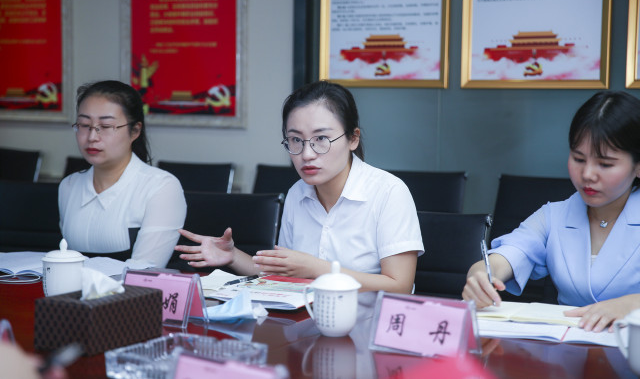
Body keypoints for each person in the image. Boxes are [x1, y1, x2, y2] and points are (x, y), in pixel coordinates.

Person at [176, 80, 424, 293]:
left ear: (353, 138)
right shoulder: (297, 193)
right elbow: (284, 273)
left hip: (369, 326)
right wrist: (232, 256)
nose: (306, 154)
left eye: (321, 139)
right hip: (304, 324)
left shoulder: (389, 192)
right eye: (296, 140)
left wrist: (318, 269)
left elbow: (400, 285)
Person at [463, 90, 640, 332]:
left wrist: (632, 304)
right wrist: (480, 275)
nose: (588, 174)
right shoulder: (554, 216)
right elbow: (511, 253)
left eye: (605, 164)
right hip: (569, 347)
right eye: (578, 159)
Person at [58, 80, 186, 267]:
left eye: (106, 126)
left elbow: (144, 272)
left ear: (135, 131)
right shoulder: (69, 186)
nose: (92, 137)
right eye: (84, 125)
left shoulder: (161, 187)